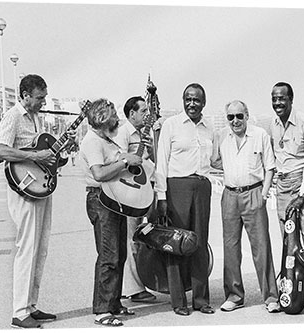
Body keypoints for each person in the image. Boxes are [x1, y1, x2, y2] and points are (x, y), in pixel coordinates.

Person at [0, 74, 76, 329]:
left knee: (40, 249)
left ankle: (31, 305)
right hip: (23, 189)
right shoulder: (13, 116)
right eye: (40, 97)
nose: (43, 102)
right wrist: (38, 155)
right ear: (25, 95)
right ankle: (19, 312)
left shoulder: (34, 117)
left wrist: (60, 149)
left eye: (44, 97)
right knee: (27, 249)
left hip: (38, 188)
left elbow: (44, 154)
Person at [211, 100, 280, 313]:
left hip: (254, 193)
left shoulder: (260, 135)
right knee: (231, 248)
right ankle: (234, 295)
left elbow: (270, 168)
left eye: (239, 116)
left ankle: (270, 297)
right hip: (230, 195)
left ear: (247, 115)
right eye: (230, 117)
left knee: (261, 247)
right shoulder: (222, 136)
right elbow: (214, 161)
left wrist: (264, 193)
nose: (235, 121)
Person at [154, 83, 215, 316]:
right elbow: (162, 162)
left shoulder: (209, 128)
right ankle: (179, 301)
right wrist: (162, 196)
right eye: (188, 99)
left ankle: (201, 300)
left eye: (197, 100)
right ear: (183, 101)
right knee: (177, 243)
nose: (192, 103)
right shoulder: (171, 125)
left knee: (199, 243)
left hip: (202, 187)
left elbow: (215, 159)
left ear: (203, 103)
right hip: (176, 186)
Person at [80, 99, 141, 326]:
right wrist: (125, 161)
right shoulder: (93, 141)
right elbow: (98, 173)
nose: (117, 117)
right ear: (103, 117)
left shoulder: (106, 139)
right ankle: (102, 309)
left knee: (119, 254)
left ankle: (113, 303)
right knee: (108, 255)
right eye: (114, 114)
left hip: (113, 201)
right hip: (101, 200)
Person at [269, 82, 304, 316]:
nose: (277, 103)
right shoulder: (272, 125)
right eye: (274, 98)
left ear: (291, 99)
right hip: (283, 185)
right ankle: (291, 293)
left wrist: (302, 195)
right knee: (288, 243)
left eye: (282, 98)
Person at [114, 96, 156, 303]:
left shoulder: (141, 134)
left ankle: (135, 284)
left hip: (142, 190)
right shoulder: (123, 133)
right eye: (143, 111)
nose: (146, 115)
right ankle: (134, 288)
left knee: (139, 237)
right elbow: (119, 159)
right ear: (132, 113)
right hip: (129, 192)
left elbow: (148, 161)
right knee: (131, 239)